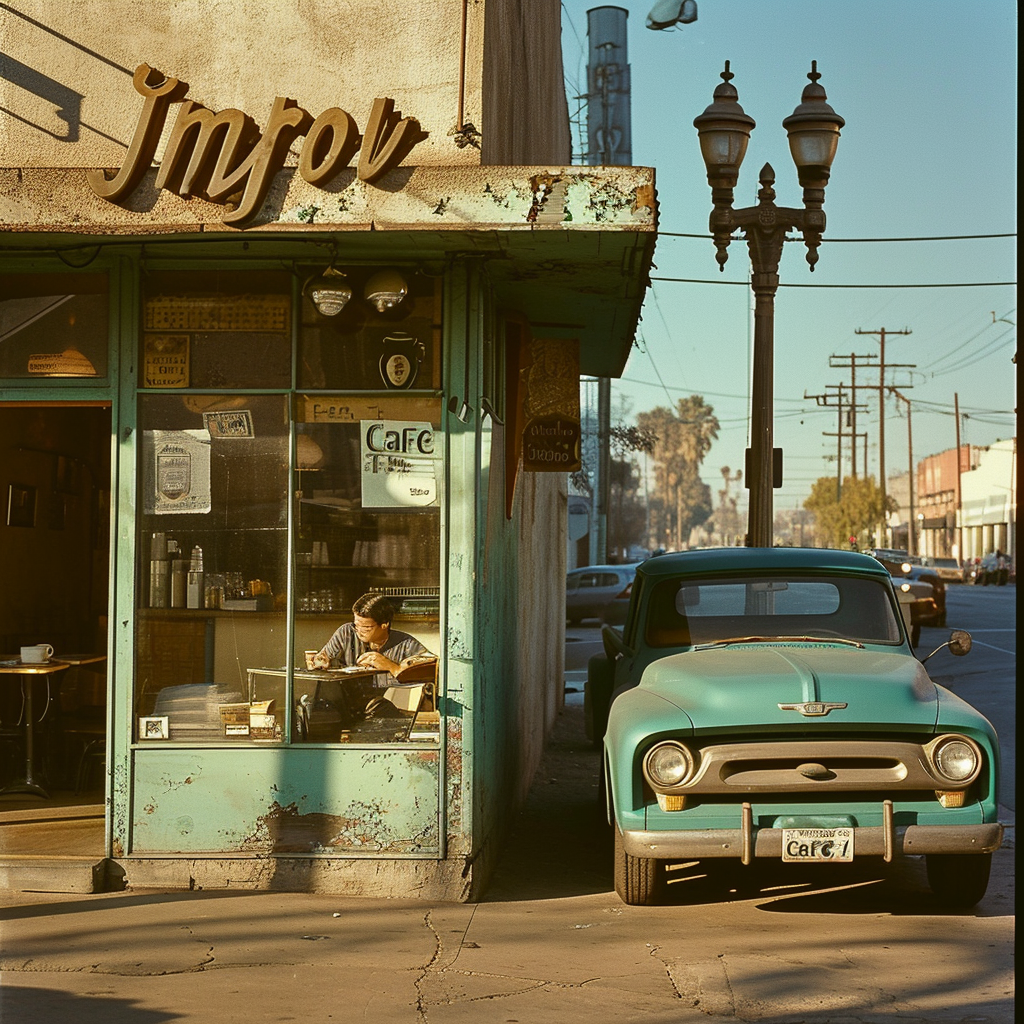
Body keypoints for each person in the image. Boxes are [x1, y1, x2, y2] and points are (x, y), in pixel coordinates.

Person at [312, 593, 430, 686]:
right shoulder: (347, 633)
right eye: (356, 624)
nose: (359, 630)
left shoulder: (405, 644)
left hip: (389, 708)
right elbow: (323, 657)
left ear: (384, 625)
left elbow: (432, 669)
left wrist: (392, 666)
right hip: (349, 703)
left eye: (366, 627)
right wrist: (319, 661)